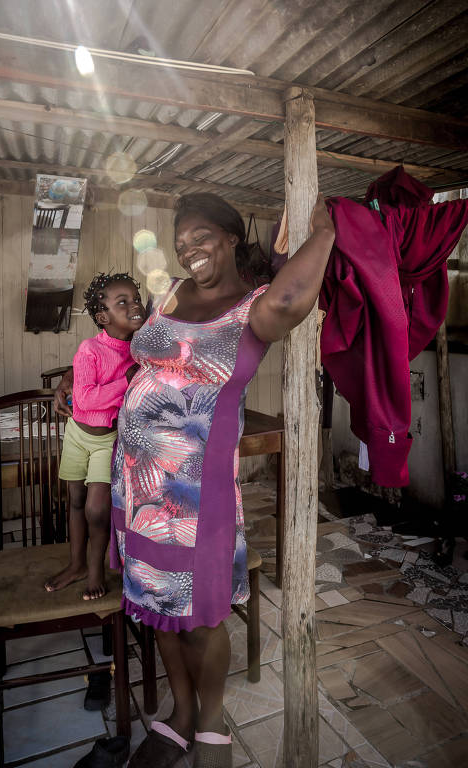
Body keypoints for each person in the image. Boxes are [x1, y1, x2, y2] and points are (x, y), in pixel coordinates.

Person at [56, 193, 334, 766]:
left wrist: (325, 230)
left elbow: (290, 294)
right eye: (181, 242)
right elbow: (138, 354)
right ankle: (180, 716)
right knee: (157, 606)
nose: (189, 250)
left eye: (201, 236)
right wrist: (73, 378)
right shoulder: (175, 293)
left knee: (201, 618)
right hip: (138, 490)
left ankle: (211, 728)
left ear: (231, 238)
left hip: (194, 498)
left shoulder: (254, 310)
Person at [45, 272, 145, 599]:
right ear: (103, 317)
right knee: (75, 501)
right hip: (77, 434)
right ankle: (76, 564)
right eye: (123, 302)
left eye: (136, 299)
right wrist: (126, 381)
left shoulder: (140, 351)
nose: (134, 306)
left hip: (108, 440)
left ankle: (96, 568)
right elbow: (86, 399)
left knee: (97, 510)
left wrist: (129, 378)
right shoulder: (90, 349)